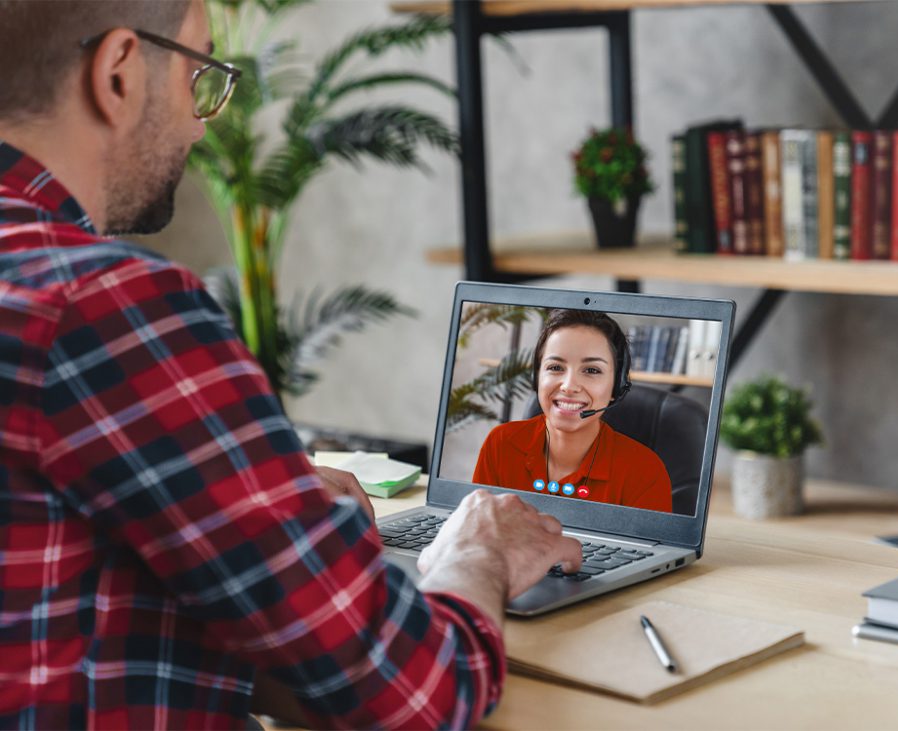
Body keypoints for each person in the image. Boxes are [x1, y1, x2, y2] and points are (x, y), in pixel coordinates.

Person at [0, 2, 582, 728]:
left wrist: (235, 487)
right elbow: (413, 694)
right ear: (117, 73)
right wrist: (478, 554)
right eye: (199, 75)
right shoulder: (104, 305)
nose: (201, 121)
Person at [473, 309, 673, 513]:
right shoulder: (501, 445)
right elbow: (479, 534)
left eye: (591, 370)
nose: (569, 386)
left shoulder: (645, 472)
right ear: (537, 377)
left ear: (616, 387)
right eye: (555, 367)